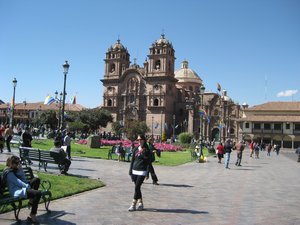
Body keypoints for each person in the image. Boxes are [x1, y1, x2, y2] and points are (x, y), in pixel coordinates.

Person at [2, 156, 41, 223]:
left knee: (36, 180)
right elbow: (17, 181)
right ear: (11, 163)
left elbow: (24, 180)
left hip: (22, 188)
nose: (19, 164)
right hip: (16, 191)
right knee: (37, 193)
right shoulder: (8, 172)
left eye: (19, 162)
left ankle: (31, 201)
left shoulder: (15, 169)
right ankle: (33, 214)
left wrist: (20, 170)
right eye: (17, 163)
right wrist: (27, 186)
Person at [128, 134, 151, 211]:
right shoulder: (135, 149)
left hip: (142, 171)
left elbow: (148, 162)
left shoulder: (147, 150)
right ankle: (140, 203)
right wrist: (130, 171)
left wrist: (147, 173)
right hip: (134, 170)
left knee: (137, 187)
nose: (139, 141)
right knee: (137, 188)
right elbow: (132, 161)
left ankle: (133, 204)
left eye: (141, 139)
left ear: (144, 140)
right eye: (138, 140)